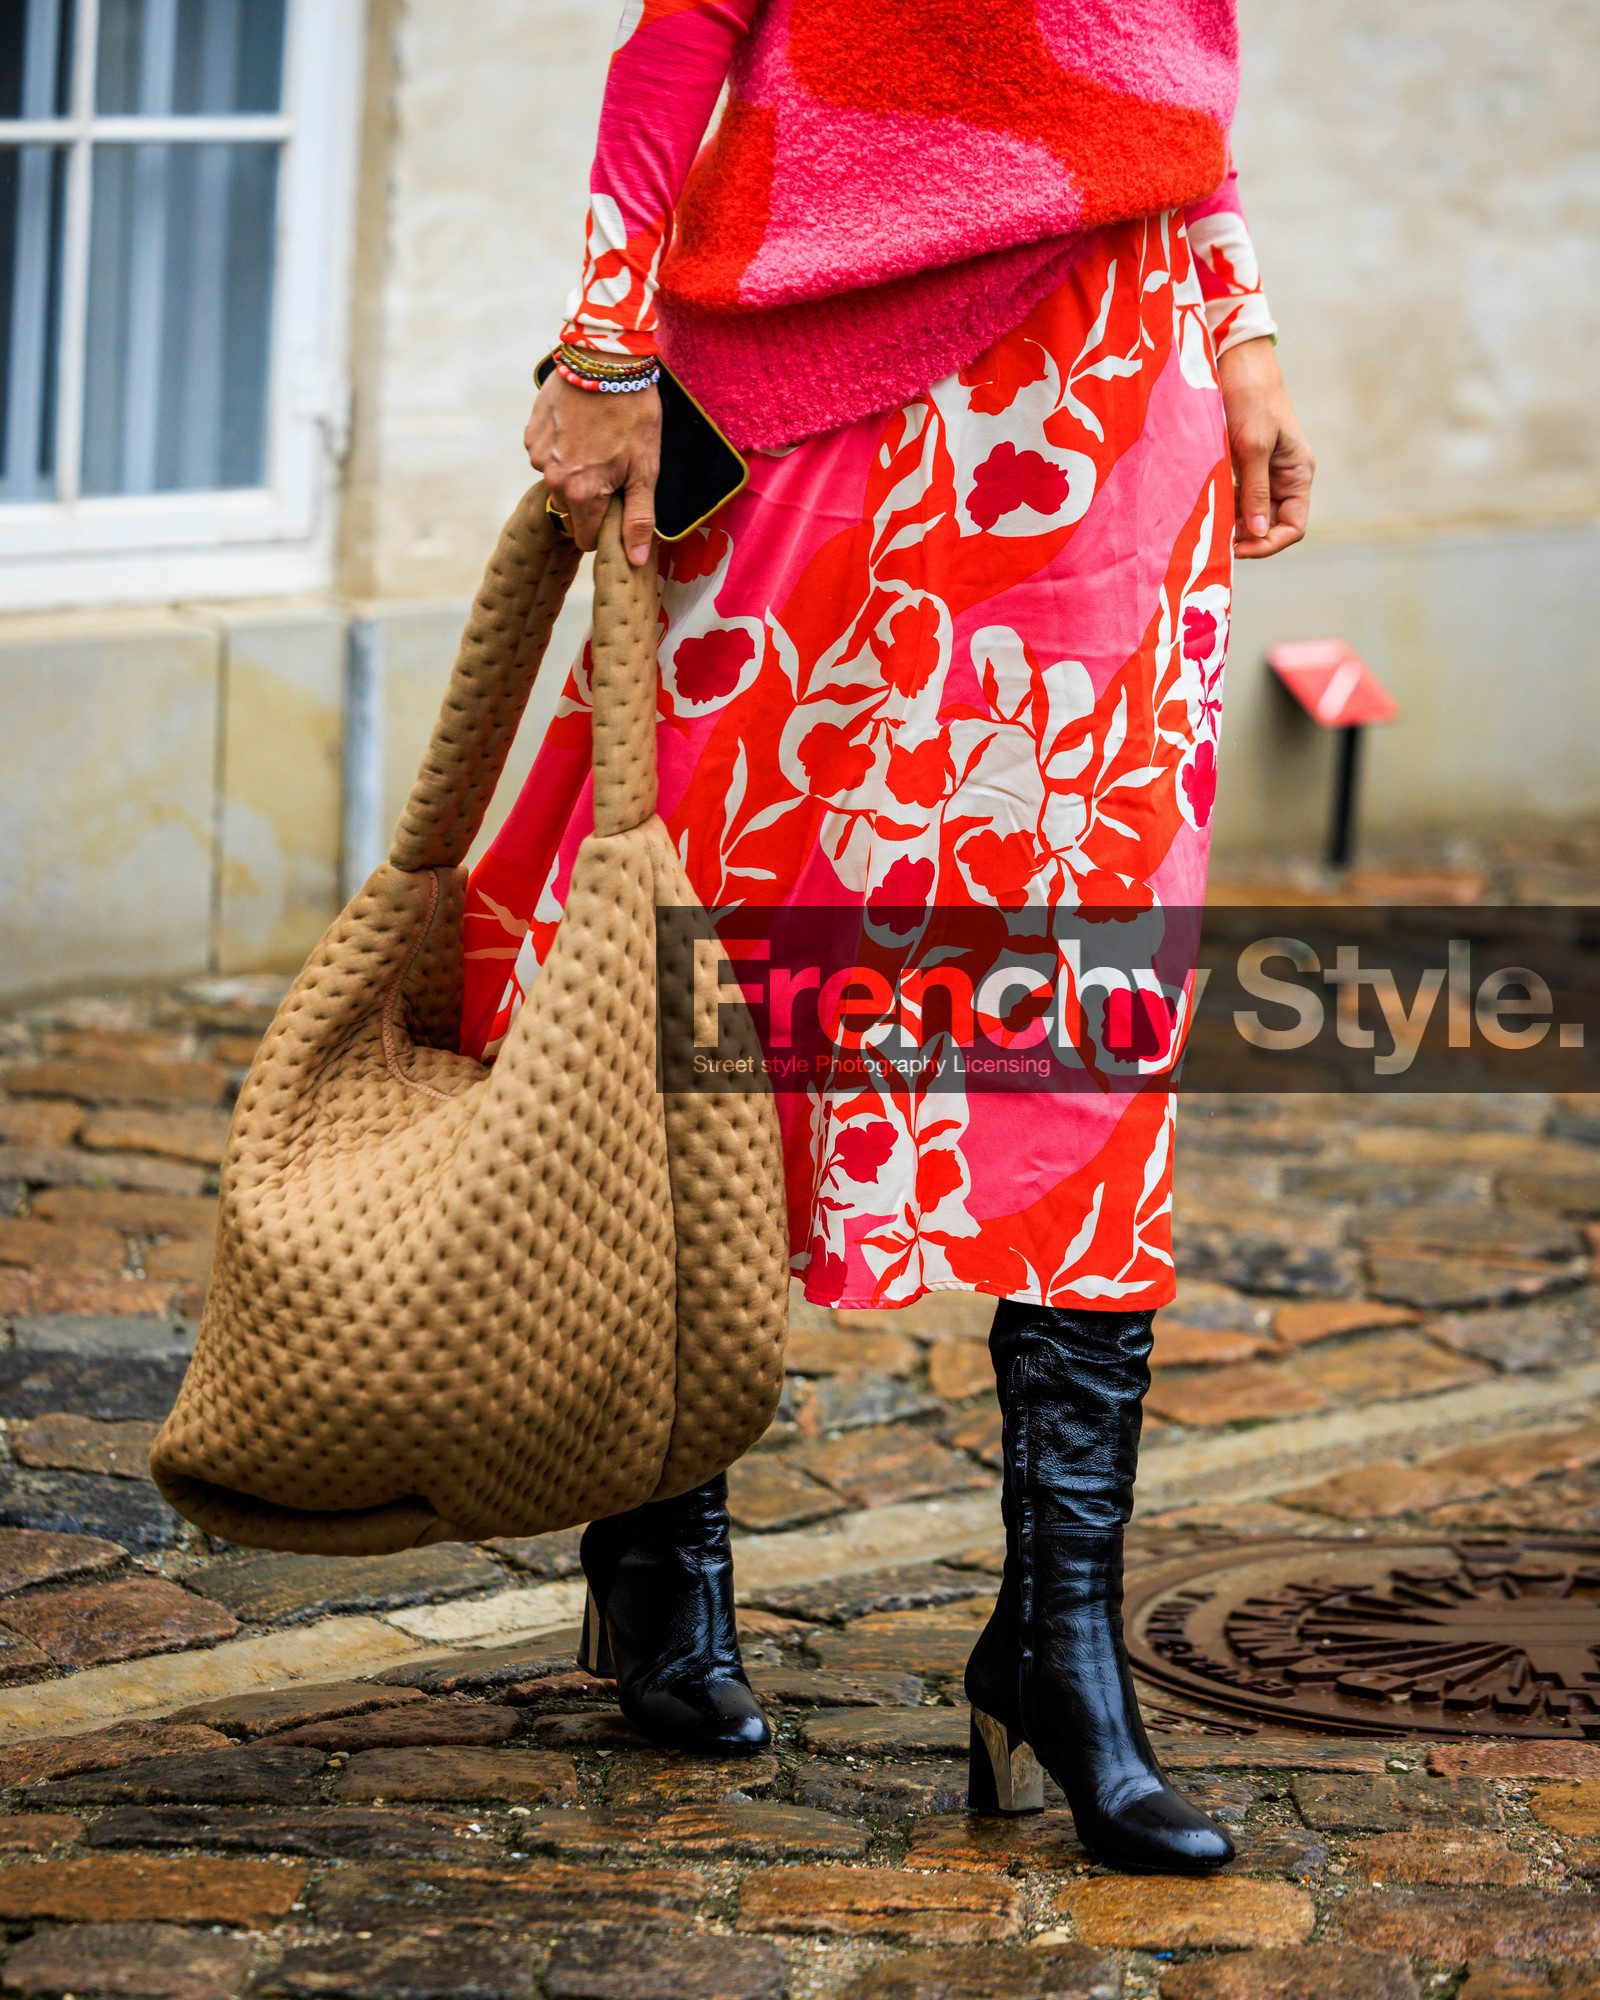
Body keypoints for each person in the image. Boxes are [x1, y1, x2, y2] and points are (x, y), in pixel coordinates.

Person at [465, 0, 1314, 1873]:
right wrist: (606, 343)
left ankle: (1060, 1645)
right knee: (717, 945)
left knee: (1084, 986)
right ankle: (655, 1532)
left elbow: (1167, 63)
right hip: (799, 401)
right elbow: (676, 38)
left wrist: (1241, 326)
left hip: (1114, 386)